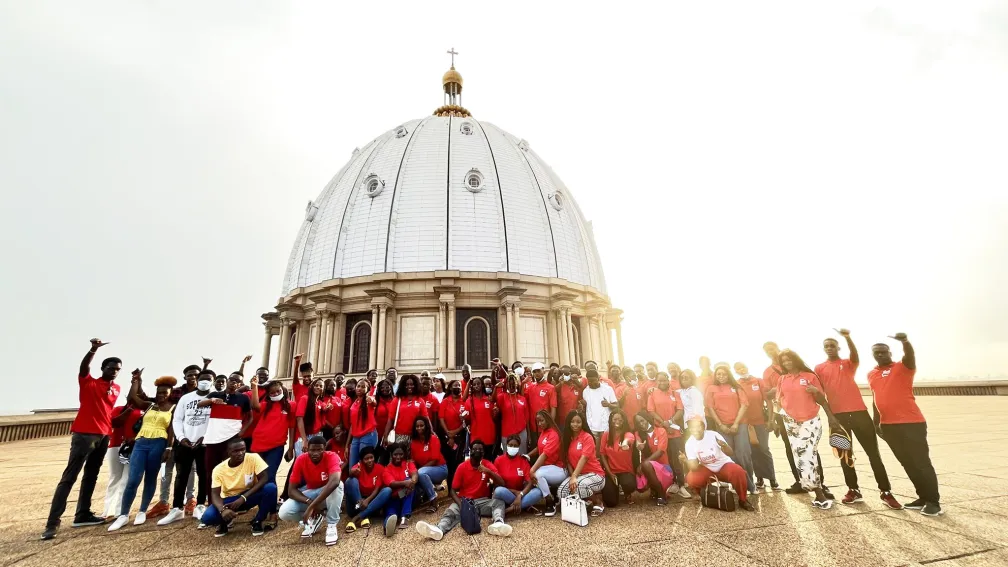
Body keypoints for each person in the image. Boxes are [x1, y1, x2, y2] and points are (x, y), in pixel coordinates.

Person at [43, 339, 122, 540]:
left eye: (117, 369)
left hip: (104, 435)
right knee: (69, 477)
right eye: (111, 368)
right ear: (103, 368)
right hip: (84, 434)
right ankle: (52, 523)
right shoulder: (89, 381)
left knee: (91, 475)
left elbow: (107, 411)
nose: (114, 371)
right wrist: (93, 349)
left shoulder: (116, 388)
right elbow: (84, 367)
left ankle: (82, 514)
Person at [817, 329, 902, 510]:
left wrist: (847, 338)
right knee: (846, 456)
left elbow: (854, 355)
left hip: (859, 414)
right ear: (823, 349)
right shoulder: (819, 368)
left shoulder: (848, 363)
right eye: (826, 346)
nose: (829, 348)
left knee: (874, 455)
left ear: (838, 347)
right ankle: (853, 490)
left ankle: (885, 492)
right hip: (838, 417)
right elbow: (821, 394)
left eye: (832, 345)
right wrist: (830, 418)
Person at [868, 333, 941, 516]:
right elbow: (876, 400)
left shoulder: (903, 366)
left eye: (883, 352)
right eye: (876, 353)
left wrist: (905, 342)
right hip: (889, 426)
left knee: (922, 462)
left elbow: (910, 356)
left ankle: (933, 502)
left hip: (912, 423)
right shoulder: (871, 374)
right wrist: (877, 423)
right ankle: (922, 497)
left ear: (889, 352)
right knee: (907, 463)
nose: (880, 355)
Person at [108, 372, 177, 531]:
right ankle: (123, 515)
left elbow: (172, 430)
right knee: (133, 479)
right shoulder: (149, 405)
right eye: (159, 392)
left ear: (170, 393)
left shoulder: (173, 408)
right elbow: (133, 397)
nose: (161, 395)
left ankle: (142, 511)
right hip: (141, 442)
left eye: (164, 393)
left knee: (150, 478)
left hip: (158, 443)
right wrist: (136, 380)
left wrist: (168, 447)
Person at [776, 349, 843, 509]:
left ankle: (819, 494)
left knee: (806, 456)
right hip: (790, 422)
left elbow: (821, 399)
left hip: (810, 421)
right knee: (800, 458)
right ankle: (815, 490)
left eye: (789, 359)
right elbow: (779, 401)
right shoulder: (782, 379)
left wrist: (831, 418)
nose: (787, 363)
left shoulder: (809, 377)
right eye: (784, 361)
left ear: (796, 359)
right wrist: (778, 421)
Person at [415, 440, 513, 540]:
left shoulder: (487, 464)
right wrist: (461, 505)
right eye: (475, 449)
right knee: (451, 511)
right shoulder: (462, 467)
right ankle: (439, 529)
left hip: (482, 502)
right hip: (465, 501)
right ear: (470, 451)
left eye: (480, 449)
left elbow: (502, 483)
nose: (477, 451)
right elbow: (452, 491)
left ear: (483, 453)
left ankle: (498, 523)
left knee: (499, 503)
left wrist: (488, 471)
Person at [157, 372, 213, 525]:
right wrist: (182, 438)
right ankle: (177, 508)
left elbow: (216, 420)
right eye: (203, 379)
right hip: (185, 443)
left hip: (204, 444)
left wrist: (205, 437)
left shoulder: (215, 398)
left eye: (209, 380)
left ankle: (200, 505)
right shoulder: (186, 398)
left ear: (213, 382)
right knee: (181, 475)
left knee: (204, 475)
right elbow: (177, 420)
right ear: (197, 381)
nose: (205, 382)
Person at [150, 362, 203, 519]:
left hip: (193, 438)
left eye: (196, 375)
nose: (192, 377)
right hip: (175, 437)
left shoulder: (205, 394)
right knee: (167, 471)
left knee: (190, 471)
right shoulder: (178, 393)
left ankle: (190, 500)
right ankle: (164, 501)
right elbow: (169, 410)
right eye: (190, 374)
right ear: (185, 376)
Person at [199, 437, 277, 537]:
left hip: (249, 496)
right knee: (207, 518)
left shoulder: (253, 458)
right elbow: (215, 494)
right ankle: (223, 523)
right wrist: (222, 510)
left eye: (243, 449)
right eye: (236, 451)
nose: (240, 453)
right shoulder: (218, 469)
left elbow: (264, 478)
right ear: (228, 452)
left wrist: (243, 498)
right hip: (229, 501)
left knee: (271, 488)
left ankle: (258, 521)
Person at [278, 435, 344, 546]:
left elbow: (335, 481)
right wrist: (310, 503)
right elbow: (291, 491)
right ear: (307, 449)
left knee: (338, 486)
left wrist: (312, 506)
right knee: (284, 512)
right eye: (312, 450)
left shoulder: (332, 456)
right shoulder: (301, 459)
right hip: (312, 493)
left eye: (319, 449)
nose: (316, 453)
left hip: (328, 494)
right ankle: (314, 518)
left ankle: (332, 525)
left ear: (324, 449)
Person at [680, 417, 755, 511]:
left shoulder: (713, 435)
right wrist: (685, 460)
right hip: (707, 467)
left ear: (703, 427)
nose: (694, 430)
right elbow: (694, 467)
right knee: (691, 478)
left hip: (723, 464)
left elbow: (730, 453)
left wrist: (724, 445)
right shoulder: (689, 443)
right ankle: (704, 495)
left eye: (697, 426)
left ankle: (743, 500)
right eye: (691, 427)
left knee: (739, 472)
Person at [705, 363, 755, 495]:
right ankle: (737, 484)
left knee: (743, 454)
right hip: (722, 426)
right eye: (719, 374)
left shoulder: (736, 387)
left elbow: (744, 404)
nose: (721, 376)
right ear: (715, 376)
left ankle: (751, 485)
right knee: (729, 455)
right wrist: (720, 425)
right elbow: (710, 408)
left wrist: (736, 424)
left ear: (729, 375)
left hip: (740, 424)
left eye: (724, 374)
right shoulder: (711, 388)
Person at [762, 341, 806, 493]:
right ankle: (799, 481)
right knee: (790, 447)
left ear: (777, 347)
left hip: (802, 411)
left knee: (808, 447)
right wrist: (771, 419)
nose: (770, 352)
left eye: (771, 348)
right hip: (782, 413)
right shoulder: (767, 372)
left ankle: (818, 481)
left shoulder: (792, 363)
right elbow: (767, 395)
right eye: (767, 350)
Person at [734, 362, 779, 491]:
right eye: (738, 369)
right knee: (752, 451)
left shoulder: (758, 381)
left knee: (764, 449)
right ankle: (759, 478)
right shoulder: (737, 384)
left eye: (743, 367)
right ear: (736, 371)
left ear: (747, 367)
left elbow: (768, 402)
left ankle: (772, 478)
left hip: (760, 421)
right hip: (746, 424)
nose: (742, 370)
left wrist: (771, 420)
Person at [200, 371, 253, 474]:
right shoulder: (215, 394)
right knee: (211, 472)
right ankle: (211, 491)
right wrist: (212, 400)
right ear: (227, 381)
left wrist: (242, 431)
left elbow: (250, 417)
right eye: (232, 379)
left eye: (238, 381)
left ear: (240, 384)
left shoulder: (243, 398)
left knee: (230, 471)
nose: (234, 382)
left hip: (232, 440)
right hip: (213, 440)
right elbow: (200, 404)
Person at [646, 371, 688, 496]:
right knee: (666, 458)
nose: (662, 382)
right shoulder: (652, 393)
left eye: (664, 380)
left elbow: (680, 410)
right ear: (656, 381)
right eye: (659, 380)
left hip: (674, 430)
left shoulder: (675, 393)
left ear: (668, 380)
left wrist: (670, 422)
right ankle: (670, 483)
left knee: (677, 458)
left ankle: (681, 484)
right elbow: (651, 411)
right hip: (661, 431)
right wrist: (664, 424)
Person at [558, 411, 607, 516]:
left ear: (582, 423)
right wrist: (572, 477)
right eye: (573, 422)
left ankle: (598, 502)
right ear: (568, 423)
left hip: (595, 474)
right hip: (579, 475)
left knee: (579, 486)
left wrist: (574, 476)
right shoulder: (567, 439)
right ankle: (584, 502)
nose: (575, 424)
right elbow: (568, 462)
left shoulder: (587, 437)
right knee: (561, 491)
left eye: (578, 422)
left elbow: (583, 458)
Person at [249, 379, 296, 487]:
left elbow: (292, 427)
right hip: (258, 444)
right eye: (272, 393)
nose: (276, 394)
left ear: (283, 390)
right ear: (269, 394)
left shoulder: (291, 405)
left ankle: (270, 502)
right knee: (258, 475)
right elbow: (255, 405)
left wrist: (290, 448)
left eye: (278, 391)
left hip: (276, 446)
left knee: (270, 475)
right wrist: (254, 387)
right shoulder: (266, 405)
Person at [102, 403, 142, 520]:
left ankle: (120, 510)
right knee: (115, 477)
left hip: (133, 447)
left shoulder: (145, 410)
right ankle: (108, 509)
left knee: (126, 479)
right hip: (116, 445)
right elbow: (112, 422)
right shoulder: (119, 409)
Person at [633, 411, 679, 505]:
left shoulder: (661, 431)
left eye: (642, 421)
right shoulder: (638, 434)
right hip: (648, 469)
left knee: (646, 464)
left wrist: (642, 464)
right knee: (640, 486)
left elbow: (660, 452)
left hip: (664, 469)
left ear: (648, 419)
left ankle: (661, 495)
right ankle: (654, 489)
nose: (641, 424)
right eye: (638, 423)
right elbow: (638, 443)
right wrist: (639, 446)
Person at [527, 410, 567, 516]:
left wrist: (532, 470)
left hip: (560, 469)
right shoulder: (544, 432)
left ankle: (550, 502)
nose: (539, 424)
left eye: (542, 421)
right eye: (538, 421)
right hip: (549, 468)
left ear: (548, 420)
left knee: (537, 473)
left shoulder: (553, 434)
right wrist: (528, 455)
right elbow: (539, 447)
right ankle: (553, 496)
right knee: (538, 473)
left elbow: (544, 454)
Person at [343, 446, 391, 532]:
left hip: (370, 503)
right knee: (350, 480)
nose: (369, 460)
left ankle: (358, 517)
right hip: (356, 505)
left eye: (371, 457)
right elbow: (350, 474)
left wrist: (367, 501)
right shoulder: (359, 466)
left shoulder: (380, 468)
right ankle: (364, 515)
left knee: (387, 490)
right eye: (366, 459)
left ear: (374, 457)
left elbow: (377, 489)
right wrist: (352, 473)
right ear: (362, 460)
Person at [493, 434, 542, 514]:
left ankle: (510, 509)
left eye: (515, 446)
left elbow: (530, 482)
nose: (512, 447)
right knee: (498, 491)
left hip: (521, 494)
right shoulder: (498, 460)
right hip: (506, 493)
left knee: (538, 492)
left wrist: (520, 495)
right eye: (510, 445)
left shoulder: (523, 461)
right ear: (506, 445)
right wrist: (515, 492)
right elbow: (496, 485)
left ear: (519, 447)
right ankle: (523, 505)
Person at [599, 411, 637, 507]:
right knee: (610, 503)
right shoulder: (606, 435)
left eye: (620, 419)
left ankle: (627, 493)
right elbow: (602, 455)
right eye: (615, 419)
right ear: (611, 421)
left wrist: (625, 443)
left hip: (626, 471)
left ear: (624, 421)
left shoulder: (628, 434)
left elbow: (629, 439)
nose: (617, 421)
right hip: (611, 471)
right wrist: (610, 474)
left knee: (629, 484)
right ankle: (615, 489)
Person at [381, 443, 419, 535]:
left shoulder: (408, 464)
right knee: (391, 514)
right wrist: (406, 483)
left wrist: (412, 482)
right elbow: (392, 484)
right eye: (395, 454)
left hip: (408, 496)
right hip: (395, 498)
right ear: (391, 455)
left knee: (408, 484)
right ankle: (387, 527)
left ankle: (404, 517)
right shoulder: (387, 469)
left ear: (404, 454)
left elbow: (414, 474)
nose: (398, 457)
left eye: (401, 454)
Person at [411, 416, 447, 512]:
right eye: (417, 426)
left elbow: (435, 460)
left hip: (440, 468)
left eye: (421, 426)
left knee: (421, 473)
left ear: (426, 426)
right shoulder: (414, 442)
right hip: (423, 472)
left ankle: (434, 500)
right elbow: (414, 461)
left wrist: (418, 472)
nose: (419, 428)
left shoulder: (433, 438)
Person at [382, 374, 428, 448]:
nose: (409, 386)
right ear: (403, 386)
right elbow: (390, 419)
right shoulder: (396, 400)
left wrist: (432, 432)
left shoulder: (420, 400)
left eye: (412, 384)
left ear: (416, 385)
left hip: (415, 437)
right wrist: (385, 435)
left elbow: (426, 418)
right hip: (399, 437)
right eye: (407, 384)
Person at [439, 380, 468, 489]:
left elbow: (466, 422)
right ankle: (450, 487)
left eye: (459, 386)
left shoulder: (464, 402)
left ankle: (458, 487)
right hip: (446, 438)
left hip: (460, 437)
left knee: (458, 463)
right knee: (449, 463)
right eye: (455, 385)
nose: (458, 387)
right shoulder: (445, 401)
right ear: (450, 388)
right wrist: (448, 433)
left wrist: (455, 432)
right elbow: (441, 418)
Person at [581, 369, 618, 448]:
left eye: (594, 380)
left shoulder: (608, 389)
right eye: (589, 381)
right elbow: (587, 408)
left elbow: (617, 405)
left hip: (605, 425)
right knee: (594, 449)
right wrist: (583, 405)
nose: (591, 383)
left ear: (598, 378)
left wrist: (608, 404)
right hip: (591, 426)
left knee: (606, 448)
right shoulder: (585, 391)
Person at [463, 377, 498, 460]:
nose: (476, 386)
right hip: (476, 436)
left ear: (482, 385)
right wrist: (463, 418)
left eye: (478, 383)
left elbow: (494, 417)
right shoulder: (469, 401)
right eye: (474, 384)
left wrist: (496, 412)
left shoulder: (489, 399)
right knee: (477, 461)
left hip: (489, 435)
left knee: (489, 459)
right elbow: (468, 420)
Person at [496, 372, 530, 453]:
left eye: (513, 383)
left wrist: (529, 436)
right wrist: (496, 387)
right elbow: (494, 402)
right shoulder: (501, 397)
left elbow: (527, 419)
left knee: (522, 456)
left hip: (522, 432)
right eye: (509, 383)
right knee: (507, 457)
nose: (511, 385)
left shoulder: (522, 399)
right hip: (507, 433)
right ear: (506, 385)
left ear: (517, 384)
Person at [525, 363, 557, 447]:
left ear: (544, 371)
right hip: (533, 426)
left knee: (545, 450)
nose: (536, 373)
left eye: (538, 371)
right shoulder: (530, 387)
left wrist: (551, 425)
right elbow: (522, 398)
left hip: (545, 426)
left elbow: (553, 408)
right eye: (534, 371)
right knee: (535, 450)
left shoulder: (550, 388)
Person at [348, 379, 378, 467]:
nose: (359, 388)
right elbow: (352, 424)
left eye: (363, 387)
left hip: (368, 436)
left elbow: (374, 402)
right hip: (355, 437)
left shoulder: (368, 400)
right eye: (358, 386)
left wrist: (372, 400)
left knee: (364, 465)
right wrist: (347, 444)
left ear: (367, 389)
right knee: (352, 466)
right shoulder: (354, 403)